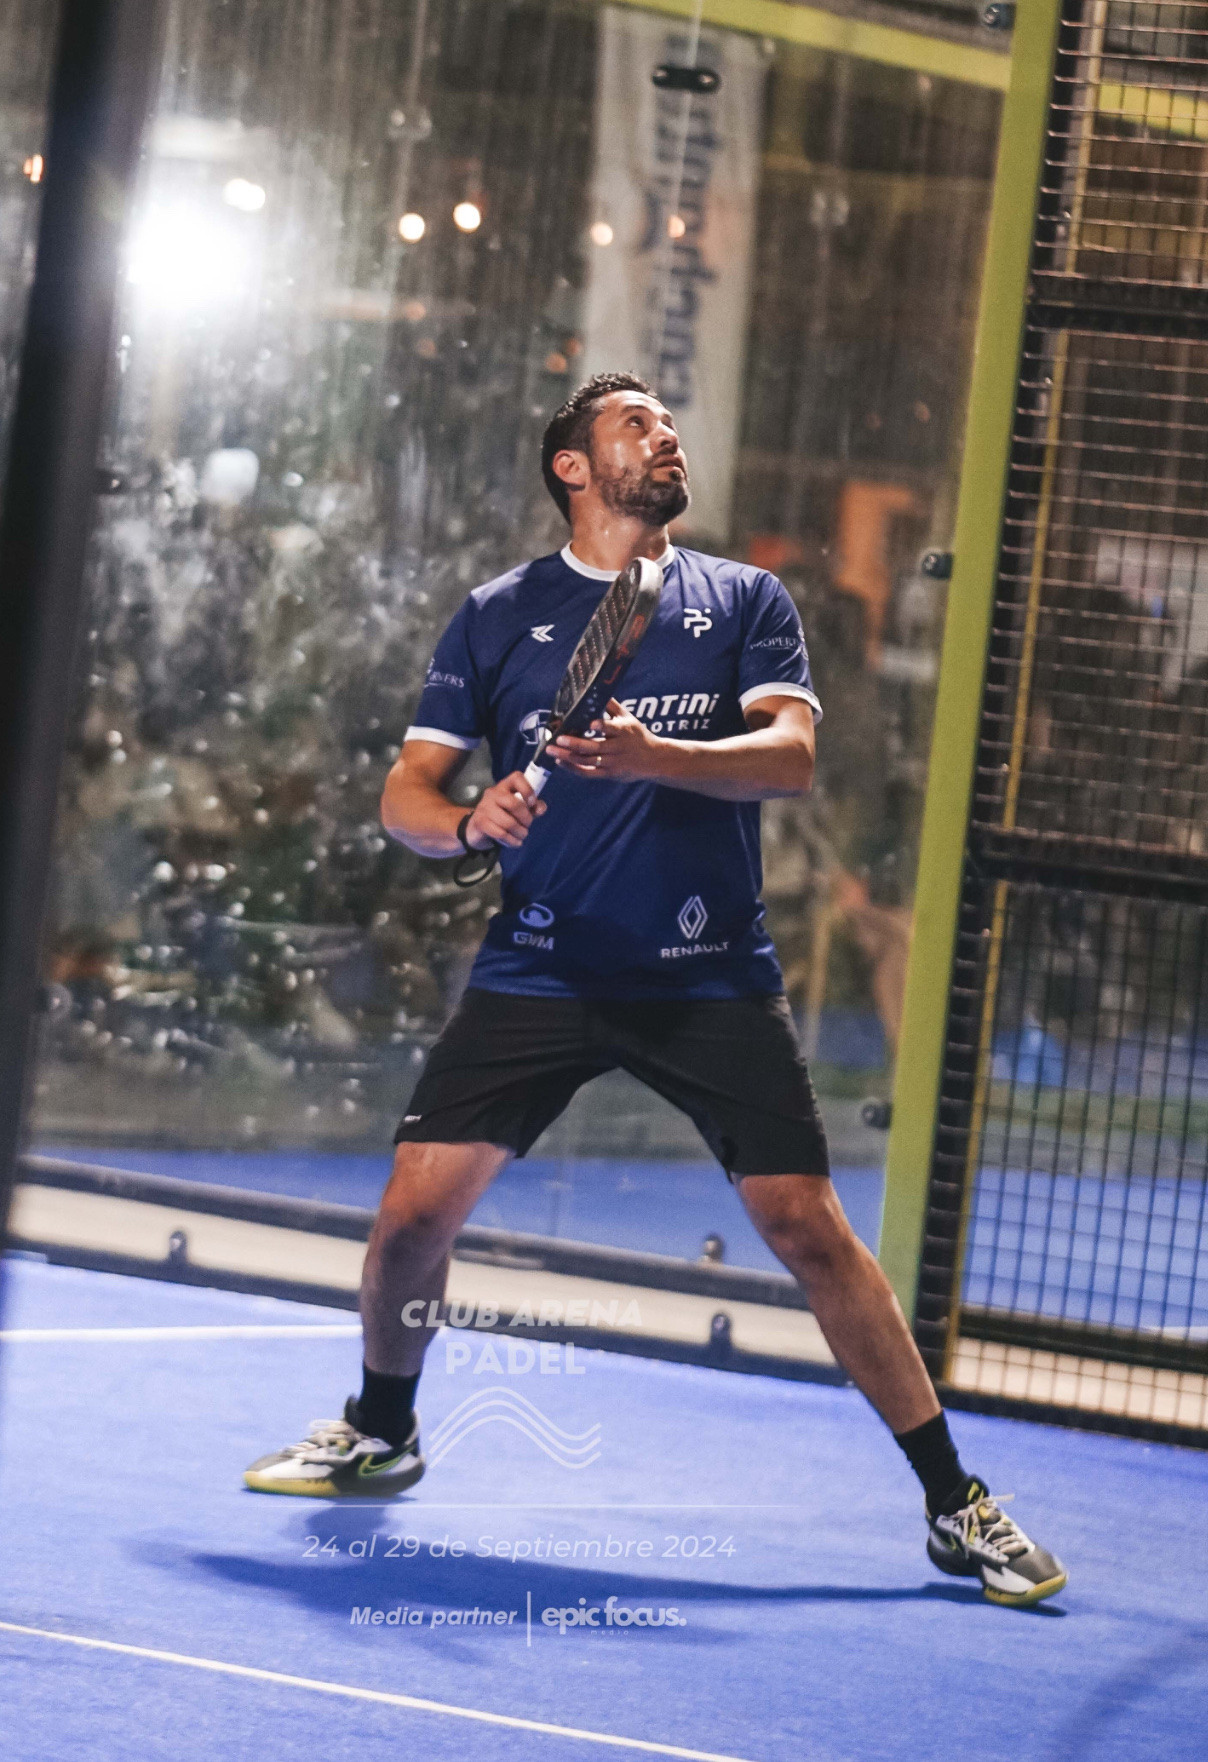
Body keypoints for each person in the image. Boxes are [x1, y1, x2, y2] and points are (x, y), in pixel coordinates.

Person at [244, 372, 1066, 1609]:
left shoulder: (744, 600)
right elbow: (406, 793)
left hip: (706, 975)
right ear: (572, 467)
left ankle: (954, 1501)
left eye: (667, 422)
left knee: (806, 1225)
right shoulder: (496, 615)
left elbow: (788, 757)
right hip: (538, 965)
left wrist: (653, 755)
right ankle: (382, 1429)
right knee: (411, 1215)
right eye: (635, 422)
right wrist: (468, 821)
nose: (663, 433)